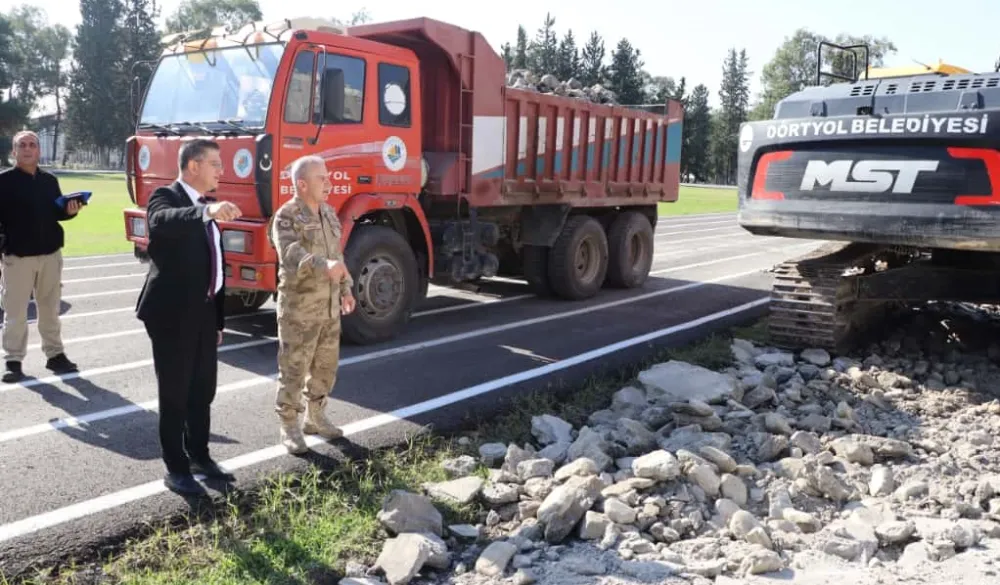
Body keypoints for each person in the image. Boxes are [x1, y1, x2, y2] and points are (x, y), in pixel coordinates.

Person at [135, 138, 242, 495]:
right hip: (171, 315)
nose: (221, 170)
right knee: (175, 392)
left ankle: (199, 455)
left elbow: (216, 266)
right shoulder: (166, 197)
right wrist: (205, 213)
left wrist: (218, 322)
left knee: (202, 389)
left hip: (203, 315)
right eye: (215, 163)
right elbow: (162, 222)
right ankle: (176, 467)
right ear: (193, 166)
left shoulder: (206, 206)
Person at [269, 154, 356, 454]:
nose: (329, 182)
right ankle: (289, 426)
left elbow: (338, 256)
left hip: (330, 308)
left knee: (325, 368)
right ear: (302, 184)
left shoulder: (330, 214)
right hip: (300, 310)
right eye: (322, 178)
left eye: (328, 176)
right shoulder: (286, 216)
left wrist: (346, 288)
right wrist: (322, 265)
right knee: (293, 368)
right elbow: (290, 254)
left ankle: (315, 417)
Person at [0, 130, 82, 383]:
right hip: (18, 257)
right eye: (22, 145)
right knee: (15, 311)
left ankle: (55, 355)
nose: (27, 149)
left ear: (39, 150)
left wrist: (70, 211)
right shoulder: (3, 182)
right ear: (14, 152)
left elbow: (56, 214)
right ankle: (13, 361)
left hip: (50, 255)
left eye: (32, 145)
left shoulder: (49, 180)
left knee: (50, 309)